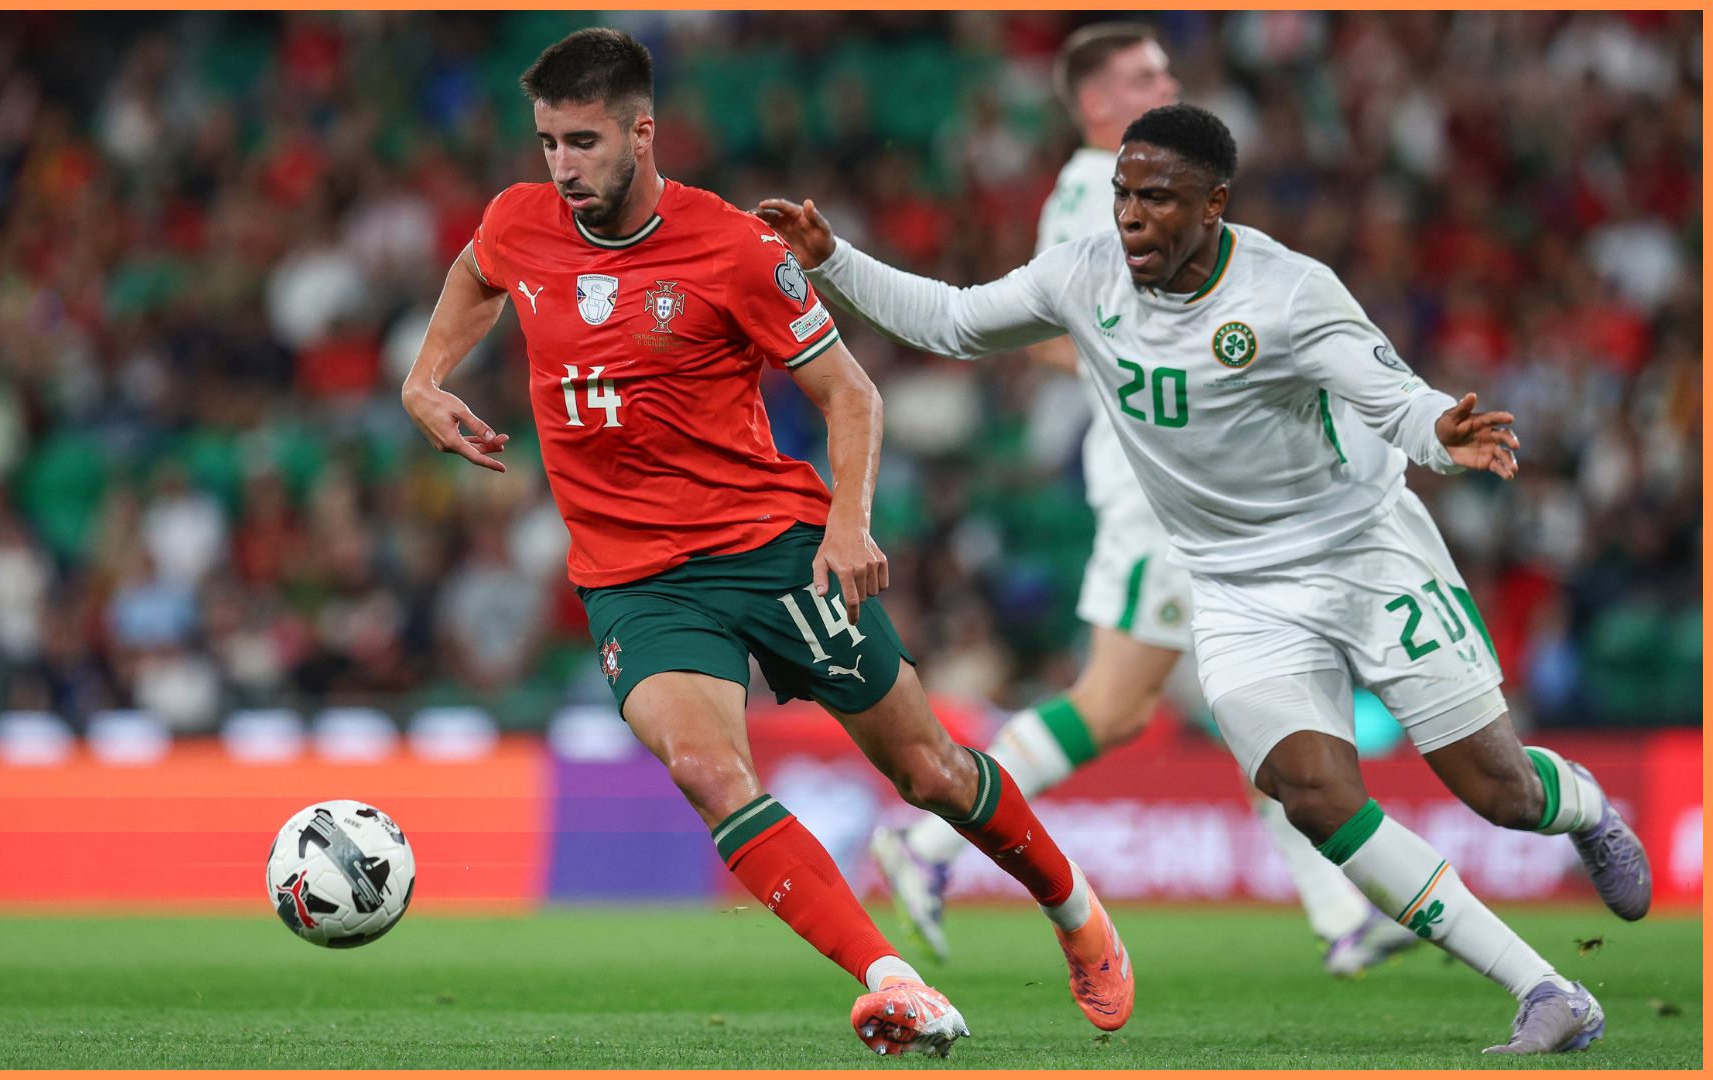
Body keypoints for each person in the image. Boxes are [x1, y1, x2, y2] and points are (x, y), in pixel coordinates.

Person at [757, 103, 1651, 1055]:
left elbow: (1390, 394)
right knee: (1311, 792)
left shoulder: (1291, 292)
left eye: (1158, 198)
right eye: (1122, 196)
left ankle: (1589, 807)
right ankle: (1546, 990)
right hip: (1233, 586)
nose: (1132, 216)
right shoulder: (1084, 273)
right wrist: (832, 260)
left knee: (1500, 791)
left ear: (1214, 204)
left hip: (1362, 551)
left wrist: (1441, 430)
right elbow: (953, 320)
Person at [401, 28, 1132, 1058]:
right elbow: (480, 275)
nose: (561, 168)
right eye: (548, 144)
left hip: (770, 548)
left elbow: (851, 394)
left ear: (642, 131)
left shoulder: (735, 248)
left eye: (583, 142)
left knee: (925, 770)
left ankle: (1074, 911)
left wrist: (847, 525)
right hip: (636, 581)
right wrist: (424, 379)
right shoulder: (521, 220)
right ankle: (892, 981)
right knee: (708, 770)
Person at [867, 22, 1417, 979]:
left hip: (1188, 485)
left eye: (1165, 66)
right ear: (1093, 103)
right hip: (1163, 492)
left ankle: (1342, 913)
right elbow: (1037, 328)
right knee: (1117, 704)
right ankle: (933, 839)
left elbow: (1061, 333)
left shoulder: (1106, 190)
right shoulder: (1099, 191)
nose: (1165, 78)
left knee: (1252, 701)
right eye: (1143, 73)